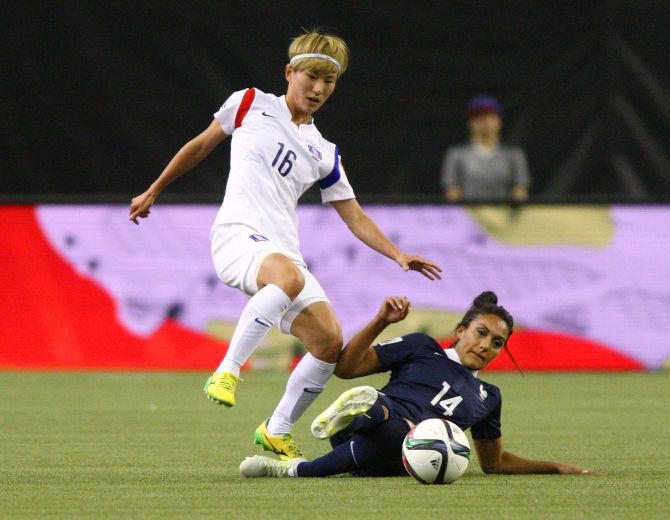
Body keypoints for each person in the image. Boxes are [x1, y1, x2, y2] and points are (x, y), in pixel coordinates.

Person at [128, 31, 442, 461]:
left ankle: (276, 430)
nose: (318, 89)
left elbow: (354, 215)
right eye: (312, 77)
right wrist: (154, 189)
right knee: (289, 278)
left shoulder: (325, 152)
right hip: (237, 235)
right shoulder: (249, 102)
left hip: (282, 252)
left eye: (329, 82)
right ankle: (227, 370)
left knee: (329, 342)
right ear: (289, 73)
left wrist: (398, 254)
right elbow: (200, 146)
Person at [239, 292, 595, 478]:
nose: (486, 345)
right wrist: (381, 320)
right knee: (390, 419)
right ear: (460, 331)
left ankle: (353, 422)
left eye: (497, 342)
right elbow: (346, 368)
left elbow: (495, 462)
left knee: (404, 433)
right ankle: (361, 413)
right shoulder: (423, 347)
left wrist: (555, 467)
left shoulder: (490, 397)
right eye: (481, 333)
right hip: (367, 433)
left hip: (408, 457)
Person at [441, 95, 531, 202]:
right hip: (469, 210)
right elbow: (452, 191)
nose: (485, 122)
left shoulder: (514, 154)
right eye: (479, 118)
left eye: (490, 117)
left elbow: (520, 190)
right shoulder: (457, 154)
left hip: (503, 210)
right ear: (470, 123)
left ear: (499, 121)